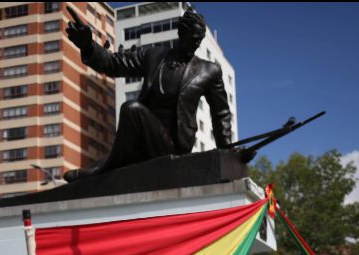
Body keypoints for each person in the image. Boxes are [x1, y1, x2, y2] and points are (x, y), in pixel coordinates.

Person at [64, 7, 234, 182]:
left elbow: (221, 113)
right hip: (143, 140)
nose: (197, 43)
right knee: (86, 171)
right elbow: (114, 64)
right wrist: (88, 46)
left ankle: (100, 173)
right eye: (193, 38)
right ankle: (100, 170)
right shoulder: (153, 56)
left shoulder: (209, 70)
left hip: (174, 145)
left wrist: (228, 152)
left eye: (200, 39)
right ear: (181, 32)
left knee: (132, 109)